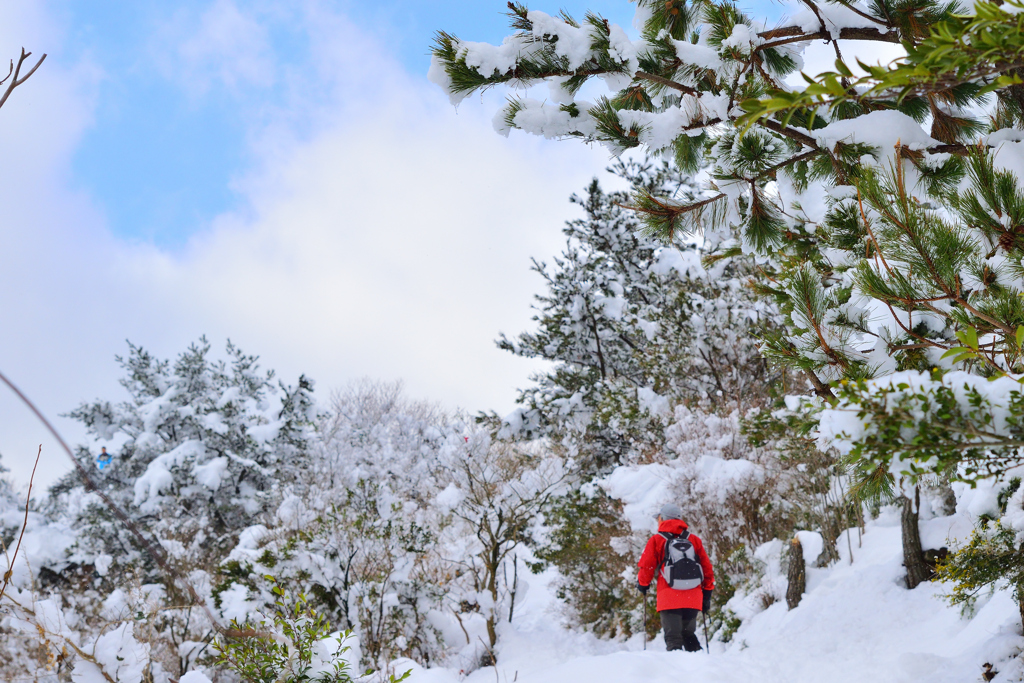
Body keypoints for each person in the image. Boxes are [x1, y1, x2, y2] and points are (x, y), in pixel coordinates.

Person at [637, 502, 715, 652]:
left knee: (673, 638)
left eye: (658, 518)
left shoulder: (657, 540)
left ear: (663, 518)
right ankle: (701, 669)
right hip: (693, 596)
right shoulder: (694, 540)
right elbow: (707, 569)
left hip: (669, 597)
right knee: (689, 635)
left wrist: (643, 584)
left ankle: (676, 674)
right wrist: (707, 593)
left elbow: (647, 566)